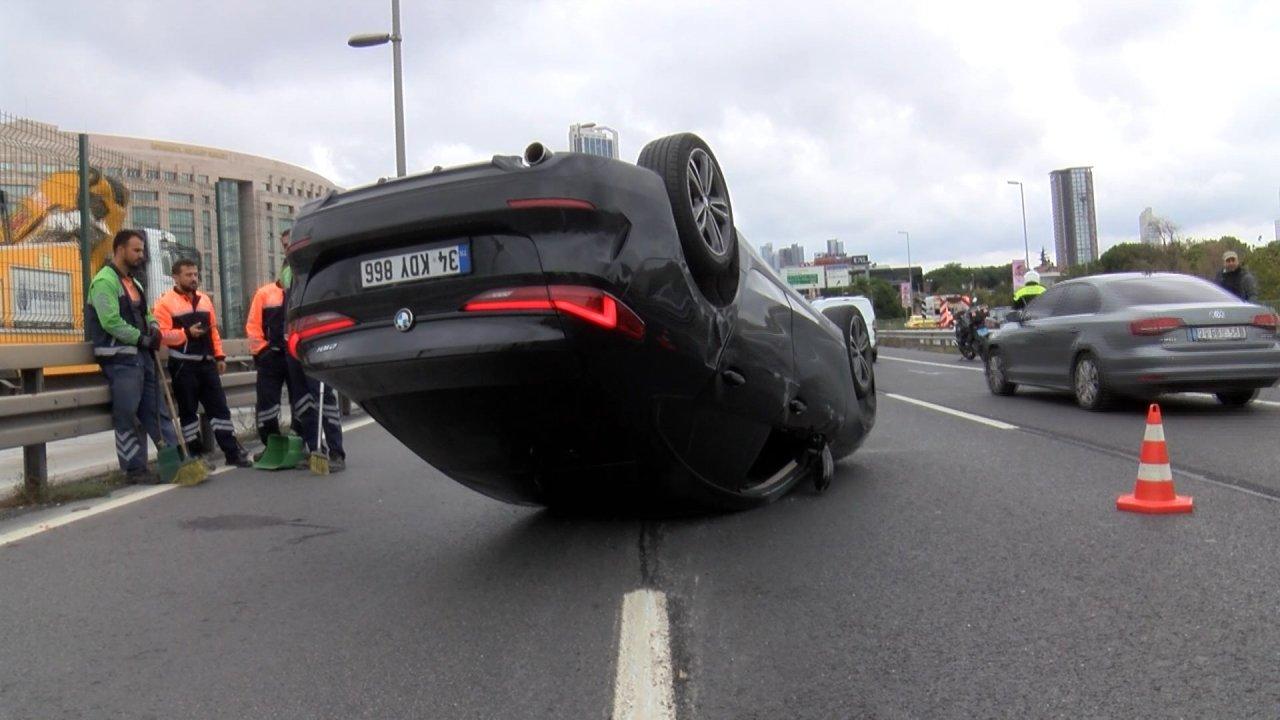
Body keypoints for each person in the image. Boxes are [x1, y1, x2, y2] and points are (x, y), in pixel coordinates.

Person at [86, 229, 178, 483]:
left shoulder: (133, 282)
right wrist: (140, 338)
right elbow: (111, 322)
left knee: (157, 412)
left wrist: (155, 328)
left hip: (142, 358)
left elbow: (146, 313)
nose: (142, 255)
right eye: (136, 250)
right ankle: (134, 470)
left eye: (142, 250)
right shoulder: (105, 281)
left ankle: (175, 461)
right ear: (119, 250)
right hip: (120, 361)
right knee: (128, 414)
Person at [153, 259, 252, 468]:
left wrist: (219, 356)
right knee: (188, 412)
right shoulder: (165, 303)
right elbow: (161, 335)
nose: (193, 279)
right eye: (188, 275)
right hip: (183, 365)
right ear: (176, 277)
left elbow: (214, 331)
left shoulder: (205, 300)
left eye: (196, 274)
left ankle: (232, 452)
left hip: (207, 364)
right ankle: (196, 455)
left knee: (219, 409)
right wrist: (185, 334)